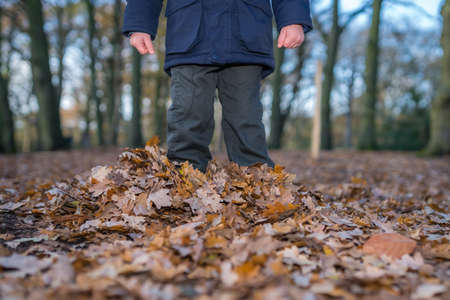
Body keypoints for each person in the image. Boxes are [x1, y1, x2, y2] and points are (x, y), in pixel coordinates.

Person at [123, 0, 313, 173]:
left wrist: (293, 19)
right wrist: (140, 24)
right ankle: (185, 174)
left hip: (246, 36)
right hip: (189, 36)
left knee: (246, 116)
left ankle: (255, 175)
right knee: (188, 111)